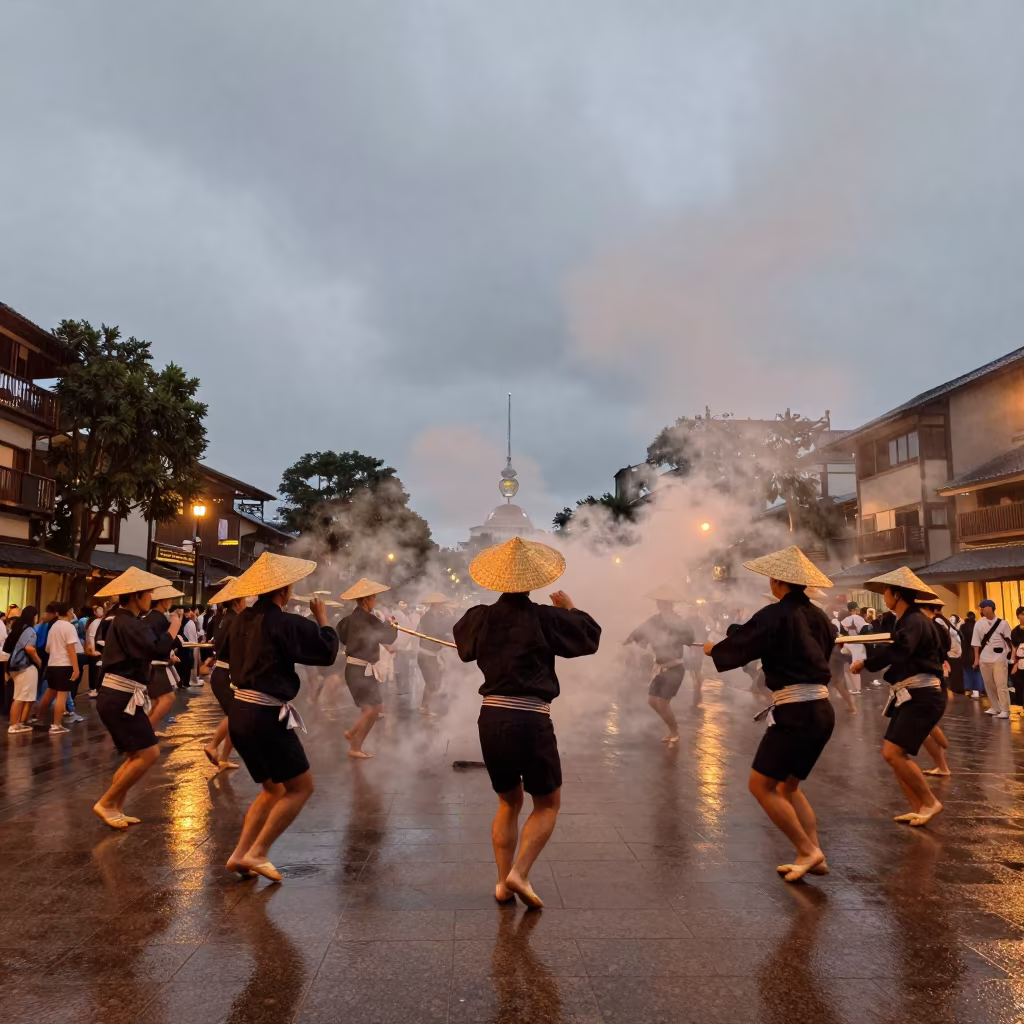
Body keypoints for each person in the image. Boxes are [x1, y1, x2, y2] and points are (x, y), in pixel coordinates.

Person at [453, 537, 601, 908]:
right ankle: (519, 872)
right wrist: (571, 608)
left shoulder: (480, 616)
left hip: (491, 718)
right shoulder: (546, 617)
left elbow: (464, 649)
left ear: (497, 581)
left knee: (508, 802)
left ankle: (503, 883)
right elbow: (589, 638)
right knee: (547, 803)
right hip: (531, 719)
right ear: (532, 581)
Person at [705, 546, 835, 883]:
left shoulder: (776, 613)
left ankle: (807, 850)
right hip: (821, 709)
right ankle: (814, 854)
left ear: (777, 581)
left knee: (761, 785)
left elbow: (742, 645)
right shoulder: (820, 617)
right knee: (789, 787)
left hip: (796, 711)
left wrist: (714, 649)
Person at [217, 552, 339, 882]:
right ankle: (258, 852)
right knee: (301, 787)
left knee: (272, 790)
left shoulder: (240, 620)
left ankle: (241, 854)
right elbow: (326, 652)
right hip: (265, 715)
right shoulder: (284, 622)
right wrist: (323, 619)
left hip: (239, 713)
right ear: (284, 591)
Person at [851, 567, 947, 827]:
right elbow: (899, 649)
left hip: (923, 694)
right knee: (891, 754)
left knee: (894, 753)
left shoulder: (915, 621)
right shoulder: (905, 621)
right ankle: (918, 807)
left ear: (897, 594)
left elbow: (901, 649)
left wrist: (866, 663)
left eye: (886, 592)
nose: (884, 597)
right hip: (911, 692)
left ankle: (929, 801)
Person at [92, 568, 182, 828]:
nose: (151, 597)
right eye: (148, 593)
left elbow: (147, 651)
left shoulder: (126, 621)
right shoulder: (126, 621)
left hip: (121, 695)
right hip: (119, 696)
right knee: (148, 753)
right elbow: (156, 647)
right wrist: (174, 628)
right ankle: (107, 802)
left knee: (135, 755)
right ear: (136, 595)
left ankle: (115, 807)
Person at [624, 584, 695, 744]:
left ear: (670, 604)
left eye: (663, 602)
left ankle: (674, 731)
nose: (660, 605)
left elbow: (690, 638)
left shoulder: (679, 621)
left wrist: (676, 632)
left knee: (662, 703)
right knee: (652, 701)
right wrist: (629, 640)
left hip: (674, 667)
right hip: (659, 667)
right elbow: (640, 630)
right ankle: (671, 728)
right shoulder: (655, 620)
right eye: (659, 602)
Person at [336, 578, 398, 758]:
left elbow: (343, 637)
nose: (375, 601)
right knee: (371, 709)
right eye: (374, 598)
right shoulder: (369, 620)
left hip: (356, 670)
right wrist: (393, 625)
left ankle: (352, 734)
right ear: (365, 600)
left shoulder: (347, 620)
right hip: (360, 671)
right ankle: (355, 746)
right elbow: (387, 637)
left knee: (374, 708)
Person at [202, 576, 248, 769]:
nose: (247, 602)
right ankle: (212, 746)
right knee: (236, 716)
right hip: (226, 675)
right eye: (244, 598)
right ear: (237, 601)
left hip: (221, 672)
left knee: (235, 719)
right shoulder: (236, 620)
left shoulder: (223, 618)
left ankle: (224, 758)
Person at [916, 595, 956, 776]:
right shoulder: (941, 625)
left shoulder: (929, 626)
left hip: (930, 680)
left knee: (923, 724)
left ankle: (945, 746)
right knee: (924, 724)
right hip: (938, 677)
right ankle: (942, 765)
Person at [144, 586, 186, 737]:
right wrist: (175, 627)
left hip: (153, 665)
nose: (171, 602)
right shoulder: (158, 618)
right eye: (169, 599)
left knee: (157, 701)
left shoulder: (153, 617)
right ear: (162, 601)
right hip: (155, 667)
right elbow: (162, 645)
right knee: (168, 699)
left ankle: (150, 730)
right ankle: (145, 734)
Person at [36, 603, 82, 734]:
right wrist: (76, 668)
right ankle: (56, 725)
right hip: (64, 664)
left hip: (52, 664)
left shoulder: (54, 626)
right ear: (68, 612)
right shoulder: (69, 627)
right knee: (62, 695)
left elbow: (47, 648)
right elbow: (71, 649)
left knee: (50, 692)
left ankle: (39, 717)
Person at [972, 599, 1013, 719]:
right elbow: (976, 643)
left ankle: (1005, 709)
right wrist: (976, 659)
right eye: (981, 608)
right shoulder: (979, 624)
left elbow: (1010, 641)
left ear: (991, 608)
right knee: (988, 684)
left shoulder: (1003, 623)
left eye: (984, 607)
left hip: (1000, 657)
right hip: (984, 658)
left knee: (1001, 684)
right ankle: (995, 707)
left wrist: (1010, 656)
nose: (982, 610)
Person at [416, 592, 454, 716]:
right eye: (442, 605)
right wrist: (446, 636)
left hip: (432, 655)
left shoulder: (435, 617)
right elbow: (434, 633)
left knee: (433, 682)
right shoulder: (428, 617)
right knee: (433, 682)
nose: (443, 607)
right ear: (437, 605)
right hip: (426, 655)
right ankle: (426, 707)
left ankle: (425, 706)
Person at [6, 607, 41, 733]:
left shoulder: (18, 627)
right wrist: (39, 661)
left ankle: (17, 723)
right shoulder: (29, 629)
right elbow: (30, 648)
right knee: (20, 697)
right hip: (24, 666)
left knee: (19, 695)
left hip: (14, 666)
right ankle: (14, 725)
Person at [839, 601, 866, 695]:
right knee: (857, 667)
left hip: (850, 643)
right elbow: (864, 629)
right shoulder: (860, 618)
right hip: (859, 644)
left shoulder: (846, 619)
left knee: (851, 667)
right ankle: (858, 689)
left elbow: (844, 628)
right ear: (854, 609)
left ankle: (855, 688)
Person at [84, 604, 106, 697]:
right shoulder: (96, 622)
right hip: (95, 650)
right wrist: (93, 651)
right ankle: (94, 688)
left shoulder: (97, 622)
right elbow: (91, 637)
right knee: (95, 670)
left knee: (96, 669)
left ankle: (95, 688)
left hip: (96, 649)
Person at [960, 611, 983, 698]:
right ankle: (978, 690)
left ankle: (970, 690)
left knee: (967, 671)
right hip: (976, 651)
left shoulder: (963, 627)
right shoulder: (978, 626)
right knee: (977, 671)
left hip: (965, 652)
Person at [1011, 607, 1024, 716]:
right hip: (1020, 661)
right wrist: (1013, 662)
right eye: (1022, 614)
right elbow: (1014, 648)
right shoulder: (1015, 632)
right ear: (1018, 616)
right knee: (1020, 684)